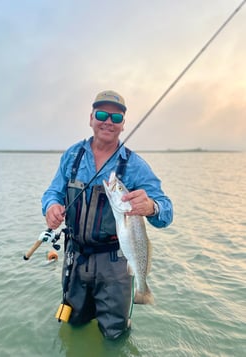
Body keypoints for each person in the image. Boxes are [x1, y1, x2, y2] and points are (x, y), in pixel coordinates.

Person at [41, 90, 173, 339]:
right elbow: (53, 192)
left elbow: (167, 212)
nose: (108, 121)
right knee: (74, 325)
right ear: (91, 118)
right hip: (75, 257)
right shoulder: (72, 155)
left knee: (115, 335)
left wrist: (152, 206)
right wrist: (50, 207)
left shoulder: (135, 165)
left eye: (116, 117)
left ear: (123, 124)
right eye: (102, 114)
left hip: (116, 263)